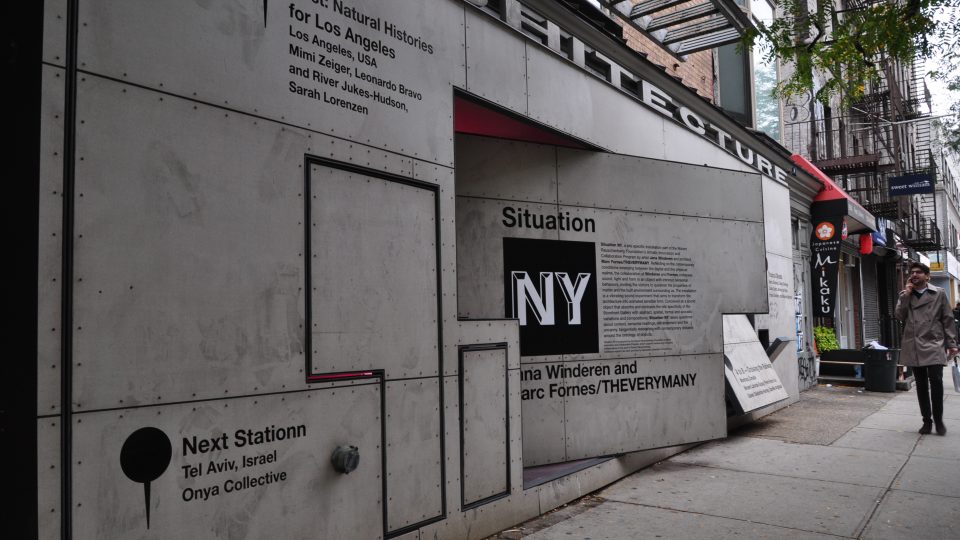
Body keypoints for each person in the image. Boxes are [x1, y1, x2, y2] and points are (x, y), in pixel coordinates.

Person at [895, 262, 958, 435]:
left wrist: (952, 343)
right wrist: (907, 295)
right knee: (921, 385)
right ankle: (926, 422)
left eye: (919, 272)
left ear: (927, 276)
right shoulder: (905, 294)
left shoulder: (939, 293)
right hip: (914, 344)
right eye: (912, 272)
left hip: (934, 343)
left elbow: (948, 319)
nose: (914, 275)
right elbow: (899, 316)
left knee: (936, 382)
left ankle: (938, 421)